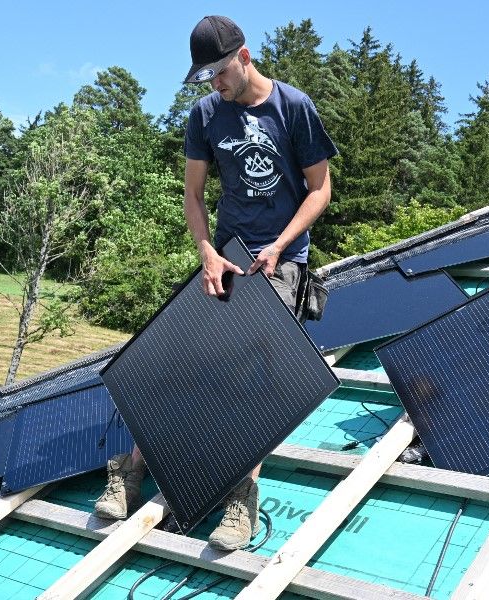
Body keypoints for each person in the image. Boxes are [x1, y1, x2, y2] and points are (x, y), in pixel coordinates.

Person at [94, 15, 338, 551]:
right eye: (205, 76)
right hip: (224, 257)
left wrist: (280, 245)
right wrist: (206, 250)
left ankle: (239, 498)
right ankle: (131, 469)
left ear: (244, 57)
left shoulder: (293, 108)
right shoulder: (206, 114)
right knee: (180, 358)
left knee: (254, 384)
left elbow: (320, 190)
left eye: (220, 72)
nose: (214, 84)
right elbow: (194, 195)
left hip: (280, 260)